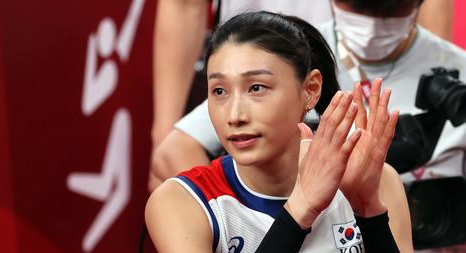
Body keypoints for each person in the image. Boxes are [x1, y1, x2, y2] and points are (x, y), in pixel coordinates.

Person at [151, 1, 466, 253]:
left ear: (311, 90)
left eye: (257, 88)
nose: (234, 115)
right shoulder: (181, 202)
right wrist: (299, 210)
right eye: (219, 91)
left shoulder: (376, 182)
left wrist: (369, 212)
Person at [148, 0, 455, 192]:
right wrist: (239, 223)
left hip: (352, 58)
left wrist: (426, 69)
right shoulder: (255, 76)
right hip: (256, 57)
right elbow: (184, 5)